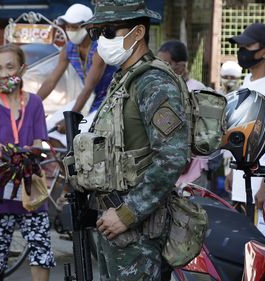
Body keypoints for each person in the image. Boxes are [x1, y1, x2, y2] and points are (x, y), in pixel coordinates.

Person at [82, 0, 189, 280]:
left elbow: (173, 156)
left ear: (138, 32)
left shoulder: (153, 83)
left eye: (107, 30)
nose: (99, 41)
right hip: (114, 224)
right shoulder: (125, 80)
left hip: (137, 229)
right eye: (95, 33)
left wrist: (128, 213)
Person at [0, 43, 55, 281]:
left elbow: (39, 143)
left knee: (41, 251)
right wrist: (12, 154)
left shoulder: (35, 102)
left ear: (22, 69)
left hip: (30, 190)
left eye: (10, 67)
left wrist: (32, 153)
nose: (4, 73)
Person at [226, 23, 265, 233]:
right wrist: (232, 170)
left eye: (248, 45)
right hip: (243, 180)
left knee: (260, 245)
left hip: (260, 184)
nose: (242, 51)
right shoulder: (248, 81)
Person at [37, 3, 117, 133]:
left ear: (89, 26)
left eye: (74, 27)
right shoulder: (68, 48)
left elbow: (89, 87)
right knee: (49, 127)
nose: (69, 30)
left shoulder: (99, 49)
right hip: (86, 101)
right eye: (67, 26)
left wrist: (71, 118)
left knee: (83, 132)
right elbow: (51, 81)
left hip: (107, 102)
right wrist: (31, 105)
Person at [157, 40, 209, 188]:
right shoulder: (161, 88)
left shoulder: (198, 90)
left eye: (165, 63)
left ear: (181, 67)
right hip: (166, 168)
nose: (159, 68)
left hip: (192, 172)